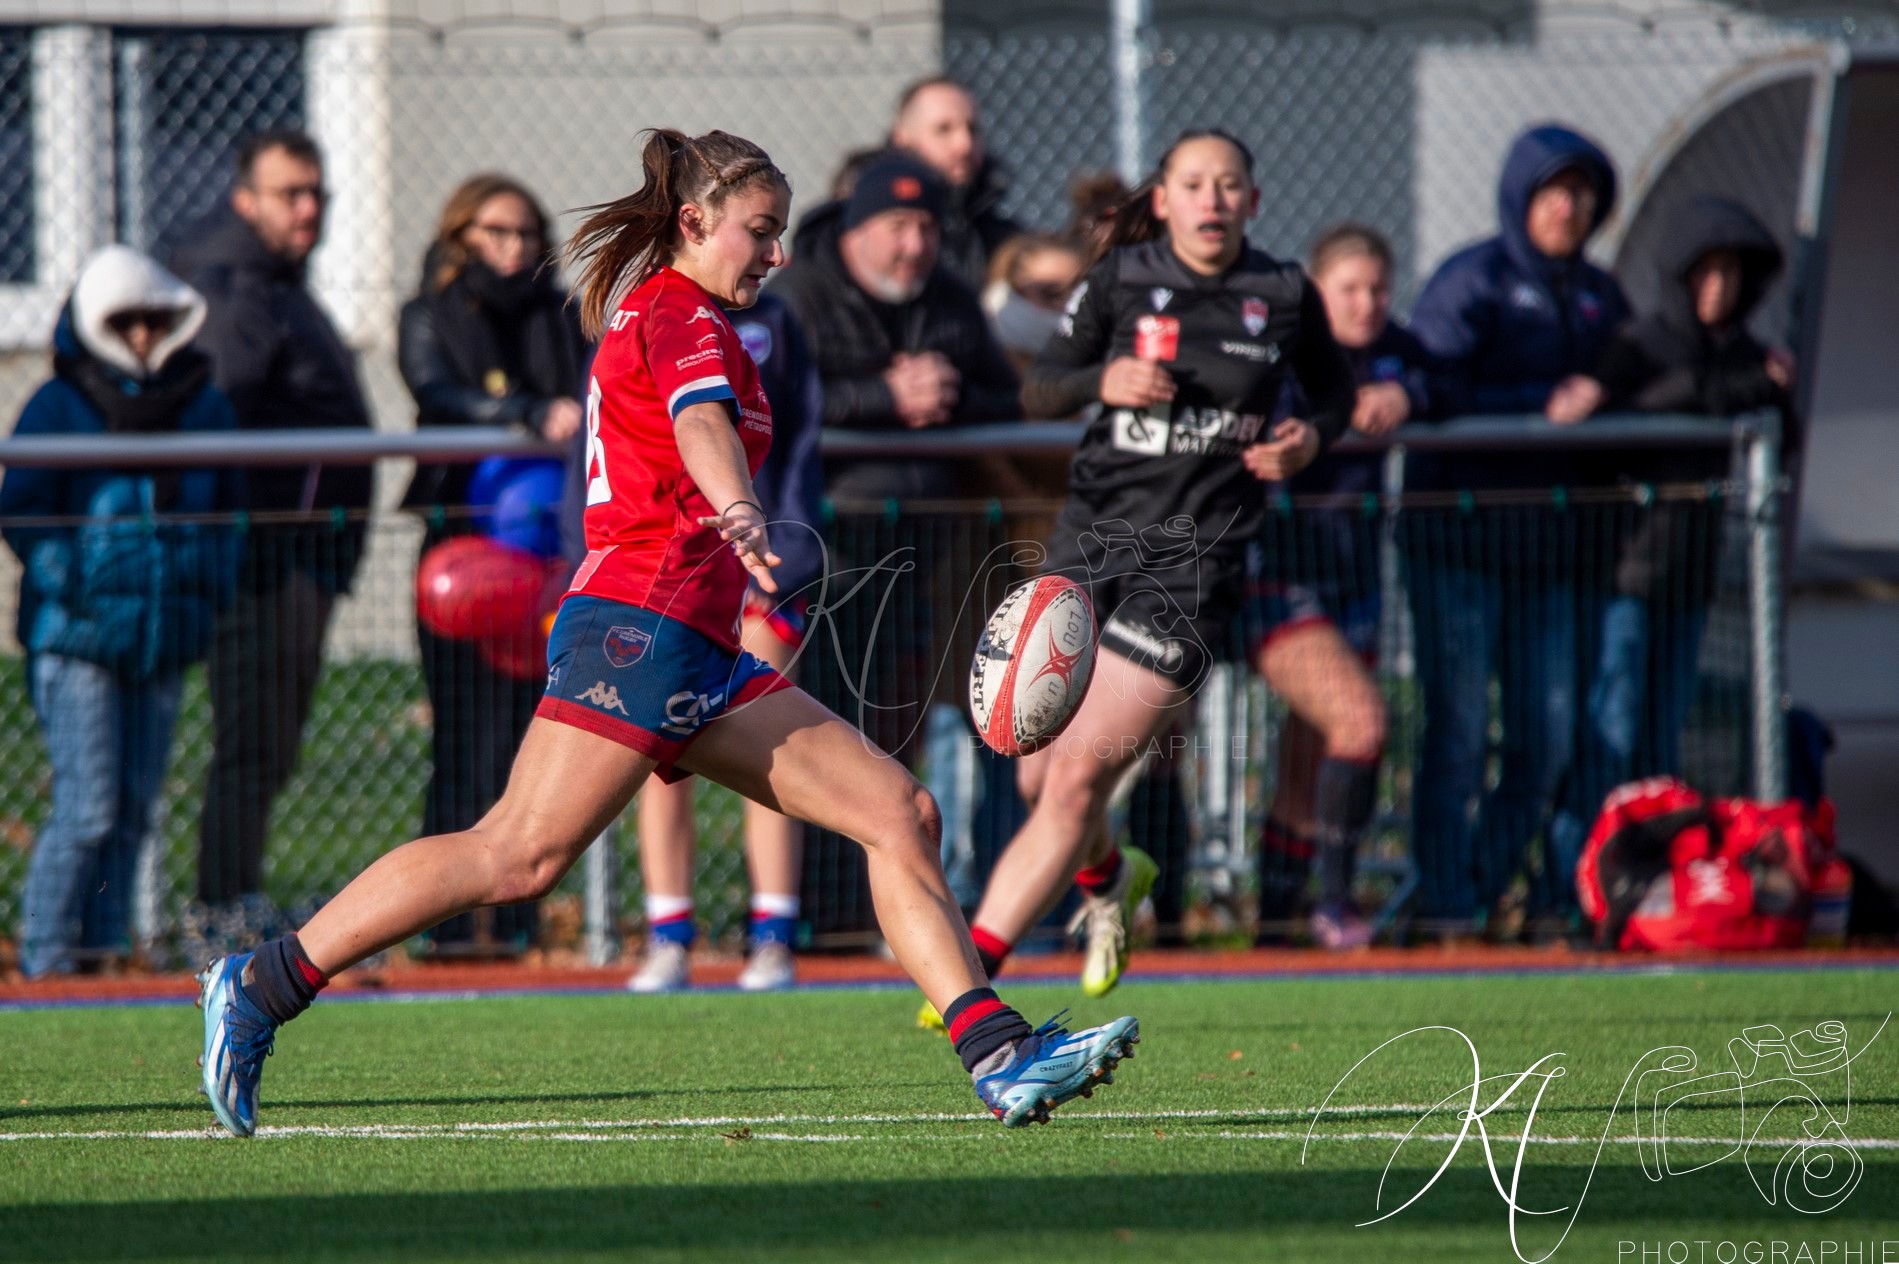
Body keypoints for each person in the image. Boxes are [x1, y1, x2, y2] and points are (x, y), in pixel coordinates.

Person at [193, 127, 1138, 1139]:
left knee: (898, 811)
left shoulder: (690, 314)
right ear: (694, 223)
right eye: (760, 232)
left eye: (779, 234)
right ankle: (261, 986)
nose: (776, 253)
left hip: (695, 642)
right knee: (515, 856)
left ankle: (998, 1056)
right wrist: (737, 506)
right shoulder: (677, 311)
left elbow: (700, 423)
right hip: (637, 629)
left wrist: (733, 527)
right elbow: (700, 425)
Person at [919, 129, 1355, 1027]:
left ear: (1252, 202)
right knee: (1038, 780)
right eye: (1193, 183)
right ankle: (1114, 877)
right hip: (1087, 548)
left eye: (1229, 184)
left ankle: (968, 975)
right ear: (1162, 199)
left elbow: (1334, 397)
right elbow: (1042, 389)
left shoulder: (1279, 293)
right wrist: (1103, 379)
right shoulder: (1120, 281)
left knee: (1073, 783)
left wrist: (1307, 438)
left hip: (1193, 569)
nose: (1211, 199)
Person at [1404, 123, 1629, 939]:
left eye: (1580, 192)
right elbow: (1431, 384)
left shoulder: (1602, 294)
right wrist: (1539, 406)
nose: (1566, 206)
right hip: (1460, 550)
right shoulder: (1471, 281)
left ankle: (1478, 891)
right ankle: (1443, 910)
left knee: (1546, 743)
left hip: (1556, 554)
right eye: (1551, 190)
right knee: (1458, 735)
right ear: (1519, 196)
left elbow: (1634, 375)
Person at [1, 246, 244, 976]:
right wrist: (70, 580)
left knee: (135, 808)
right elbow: (24, 509)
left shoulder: (203, 404)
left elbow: (229, 511)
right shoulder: (59, 403)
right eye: (125, 320)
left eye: (156, 319)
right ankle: (46, 958)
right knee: (88, 808)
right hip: (78, 637)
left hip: (164, 632)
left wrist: (207, 585)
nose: (142, 335)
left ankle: (103, 954)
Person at [1544, 196, 1793, 894]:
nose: (1718, 289)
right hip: (1623, 575)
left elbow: (1781, 430)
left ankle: (1648, 888)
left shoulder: (1746, 354)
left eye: (1732, 275)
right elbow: (1625, 416)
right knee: (1608, 738)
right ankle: (1568, 890)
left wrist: (1756, 387)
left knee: (1659, 747)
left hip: (1689, 579)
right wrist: (1732, 390)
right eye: (1704, 272)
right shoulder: (1637, 343)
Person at [169, 130, 375, 953]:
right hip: (263, 557)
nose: (308, 209)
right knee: (252, 735)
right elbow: (227, 409)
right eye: (290, 193)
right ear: (244, 199)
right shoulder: (235, 285)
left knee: (271, 739)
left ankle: (234, 894)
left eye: (316, 193)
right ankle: (219, 908)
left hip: (299, 555)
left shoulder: (279, 282)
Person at [398, 173, 589, 955]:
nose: (512, 250)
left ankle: (513, 920)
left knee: (528, 741)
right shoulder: (429, 313)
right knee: (460, 741)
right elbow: (436, 392)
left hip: (546, 559)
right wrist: (520, 414)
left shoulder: (563, 314)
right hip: (462, 549)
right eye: (494, 234)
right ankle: (441, 926)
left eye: (524, 235)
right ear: (460, 237)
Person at [627, 287, 824, 994]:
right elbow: (594, 457)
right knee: (658, 753)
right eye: (761, 230)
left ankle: (773, 935)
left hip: (759, 576)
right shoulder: (640, 317)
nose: (777, 256)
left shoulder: (774, 320)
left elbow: (800, 442)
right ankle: (668, 936)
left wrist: (789, 555)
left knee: (773, 754)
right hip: (663, 579)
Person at [1251, 224, 1430, 949]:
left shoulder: (1396, 351)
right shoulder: (1286, 352)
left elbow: (1448, 376)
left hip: (1354, 579)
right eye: (1348, 289)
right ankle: (1333, 904)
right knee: (1360, 722)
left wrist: (1406, 393)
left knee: (1308, 758)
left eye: (1378, 289)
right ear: (1316, 290)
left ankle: (1272, 927)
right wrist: (1316, 424)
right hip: (1279, 573)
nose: (1365, 303)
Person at [889, 77, 1025, 290]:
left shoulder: (1005, 239)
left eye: (972, 129)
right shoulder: (875, 228)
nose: (964, 145)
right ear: (902, 139)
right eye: (943, 129)